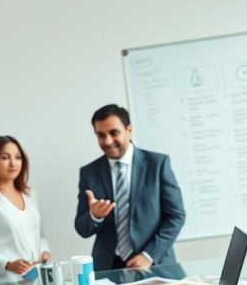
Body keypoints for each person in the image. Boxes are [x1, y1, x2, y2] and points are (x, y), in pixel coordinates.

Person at [75, 104, 186, 271]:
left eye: (114, 133)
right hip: (108, 267)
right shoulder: (89, 173)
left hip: (154, 263)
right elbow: (82, 228)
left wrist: (149, 255)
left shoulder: (157, 164)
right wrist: (94, 215)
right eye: (101, 135)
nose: (108, 141)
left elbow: (176, 216)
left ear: (129, 130)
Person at [0, 136, 50, 285]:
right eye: (5, 157)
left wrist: (44, 251)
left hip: (34, 280)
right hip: (2, 284)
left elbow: (40, 233)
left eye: (18, 157)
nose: (13, 163)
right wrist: (7, 264)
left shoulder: (30, 194)